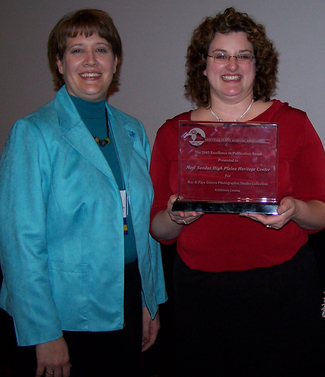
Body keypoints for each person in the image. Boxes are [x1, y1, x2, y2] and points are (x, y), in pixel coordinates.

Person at [150, 7, 325, 376]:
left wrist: (295, 209)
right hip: (201, 293)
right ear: (203, 65)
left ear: (257, 65)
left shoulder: (293, 123)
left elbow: (322, 212)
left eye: (243, 55)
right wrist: (174, 216)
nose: (232, 65)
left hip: (283, 289)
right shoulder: (172, 132)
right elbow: (157, 230)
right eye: (221, 54)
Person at [0, 8, 166, 377]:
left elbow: (143, 222)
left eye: (102, 49)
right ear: (59, 63)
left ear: (116, 61)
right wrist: (43, 331)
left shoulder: (132, 129)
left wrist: (148, 300)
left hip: (127, 298)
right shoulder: (33, 133)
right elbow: (19, 243)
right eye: (77, 50)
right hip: (63, 312)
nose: (91, 61)